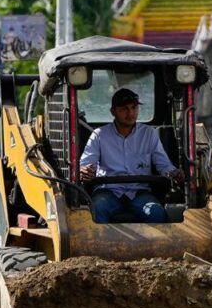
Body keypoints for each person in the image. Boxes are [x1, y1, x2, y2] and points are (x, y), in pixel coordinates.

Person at [79, 87, 184, 223]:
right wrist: (85, 171)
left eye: (134, 108)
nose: (130, 113)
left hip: (139, 192)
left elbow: (163, 165)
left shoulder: (149, 134)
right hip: (108, 191)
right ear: (113, 111)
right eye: (124, 109)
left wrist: (174, 173)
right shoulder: (99, 135)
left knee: (156, 212)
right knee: (96, 210)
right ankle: (102, 245)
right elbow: (86, 164)